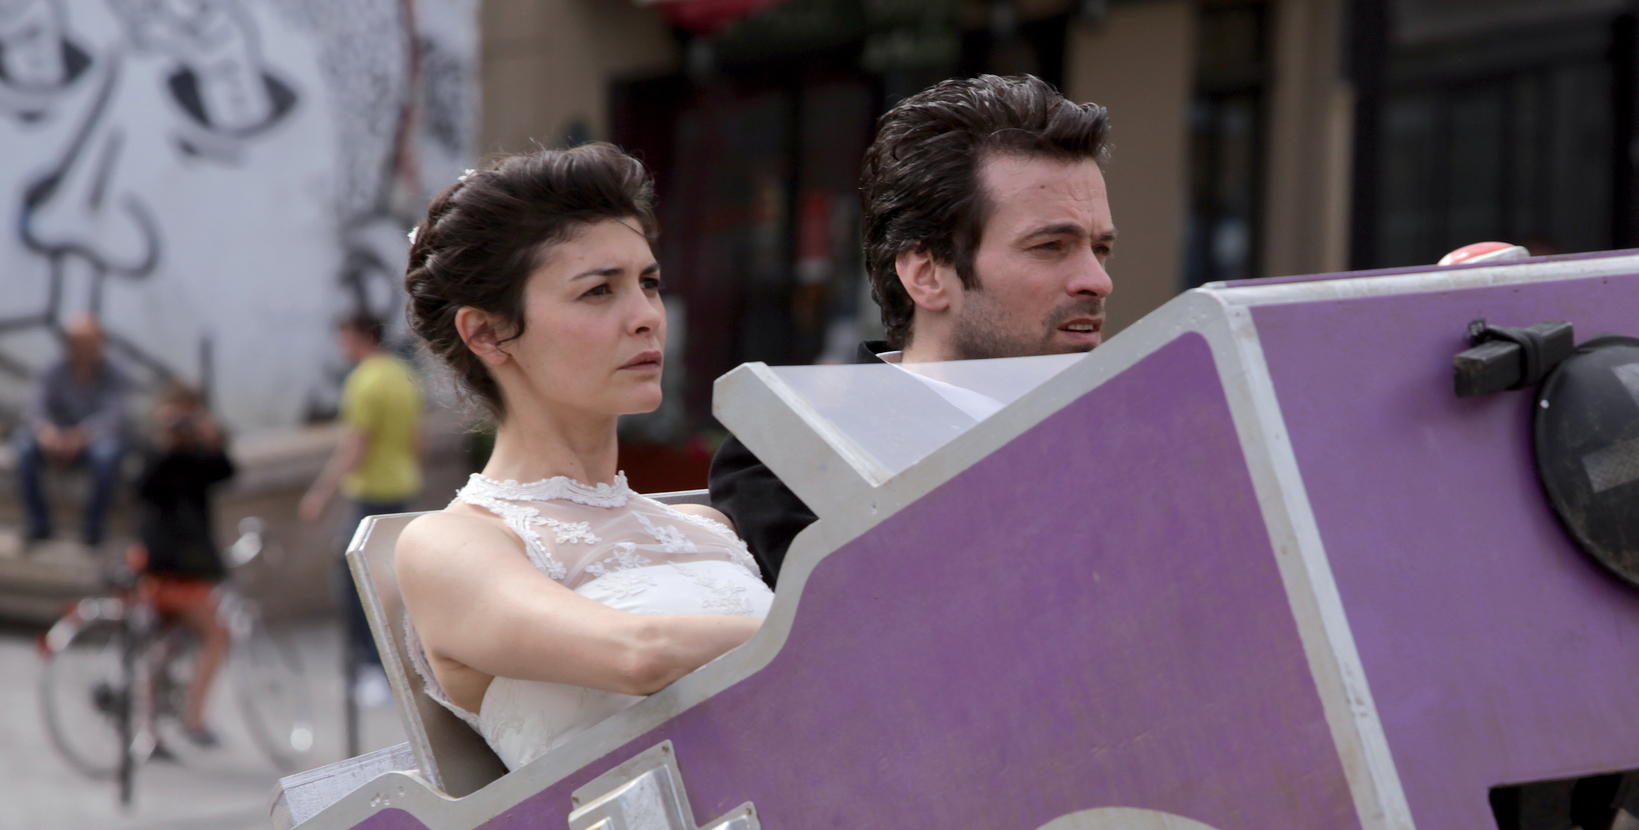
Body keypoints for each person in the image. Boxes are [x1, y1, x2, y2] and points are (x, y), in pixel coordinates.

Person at [394, 144, 769, 772]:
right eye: (599, 291)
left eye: (648, 283)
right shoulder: (449, 544)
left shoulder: (709, 527)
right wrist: (844, 626)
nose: (647, 317)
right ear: (486, 333)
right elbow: (638, 653)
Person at [710, 74, 1114, 584]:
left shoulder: (1130, 425)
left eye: (1100, 248)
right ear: (926, 275)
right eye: (1050, 246)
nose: (1097, 280)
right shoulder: (797, 450)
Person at [300, 314, 423, 707]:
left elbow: (356, 446)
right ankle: (393, 664)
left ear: (360, 337)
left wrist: (320, 494)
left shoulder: (365, 381)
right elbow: (418, 438)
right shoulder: (403, 375)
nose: (341, 347)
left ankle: (372, 665)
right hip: (401, 484)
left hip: (371, 490)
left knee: (358, 583)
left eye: (345, 338)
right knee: (390, 579)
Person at [131, 384, 236, 747]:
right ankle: (192, 719)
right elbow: (143, 487)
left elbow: (226, 473)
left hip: (185, 564)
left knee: (164, 646)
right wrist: (166, 443)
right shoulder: (154, 452)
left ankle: (151, 729)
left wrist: (214, 438)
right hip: (165, 565)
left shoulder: (195, 456)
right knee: (215, 635)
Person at [15, 313, 129, 547]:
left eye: (89, 342)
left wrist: (81, 436)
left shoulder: (115, 372)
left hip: (93, 439)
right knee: (24, 447)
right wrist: (47, 432)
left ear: (100, 343)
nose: (82, 348)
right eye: (76, 342)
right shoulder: (52, 368)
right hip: (54, 437)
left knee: (106, 456)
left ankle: (93, 529)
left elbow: (115, 416)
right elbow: (36, 408)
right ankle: (38, 523)